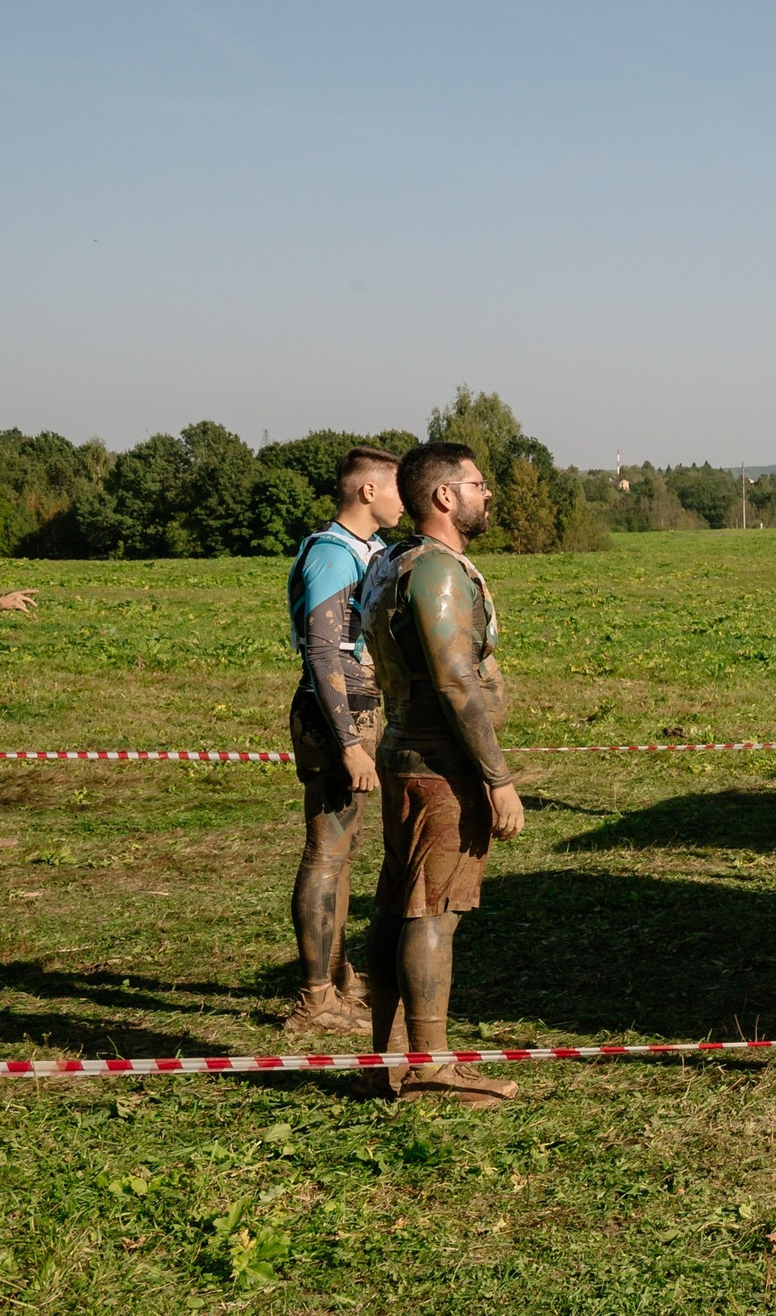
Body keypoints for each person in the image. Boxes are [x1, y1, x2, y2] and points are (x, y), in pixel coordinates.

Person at [357, 442, 526, 1106]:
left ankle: (386, 1056)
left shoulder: (386, 563)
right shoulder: (436, 572)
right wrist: (497, 776)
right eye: (478, 484)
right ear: (444, 496)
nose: (488, 495)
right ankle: (428, 1066)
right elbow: (458, 680)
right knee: (433, 911)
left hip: (402, 752)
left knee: (395, 905)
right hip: (440, 766)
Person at [279, 445, 403, 1035]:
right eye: (398, 488)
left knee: (345, 849)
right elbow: (322, 650)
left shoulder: (370, 550)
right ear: (368, 492)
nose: (407, 499)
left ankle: (337, 978)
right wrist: (350, 742)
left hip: (359, 710)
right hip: (336, 717)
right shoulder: (331, 555)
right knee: (327, 851)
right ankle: (313, 998)